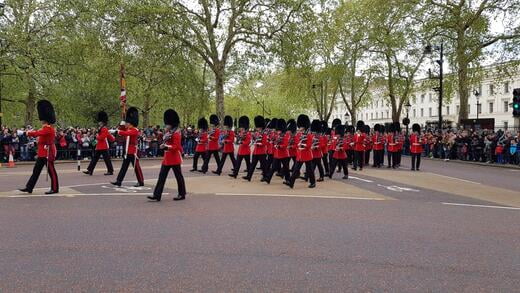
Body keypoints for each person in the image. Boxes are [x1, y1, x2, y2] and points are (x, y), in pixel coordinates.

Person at [19, 100, 59, 194]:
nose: (42, 121)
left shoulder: (49, 129)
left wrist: (26, 132)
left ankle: (55, 188)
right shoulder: (45, 128)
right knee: (36, 171)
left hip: (48, 153)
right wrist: (36, 144)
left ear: (45, 120)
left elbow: (37, 133)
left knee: (51, 171)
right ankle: (29, 187)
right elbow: (41, 140)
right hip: (42, 153)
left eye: (43, 120)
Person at [148, 109, 186, 202]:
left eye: (167, 124)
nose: (166, 126)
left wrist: (166, 147)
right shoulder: (168, 133)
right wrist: (163, 146)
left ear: (171, 124)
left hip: (174, 158)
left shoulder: (176, 134)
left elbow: (176, 146)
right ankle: (157, 195)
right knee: (161, 177)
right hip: (167, 158)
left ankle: (182, 194)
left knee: (179, 177)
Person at [111, 107, 144, 187]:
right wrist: (123, 114)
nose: (126, 124)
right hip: (127, 151)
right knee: (124, 167)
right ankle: (119, 181)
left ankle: (141, 181)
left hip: (133, 151)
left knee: (136, 167)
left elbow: (125, 133)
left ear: (130, 123)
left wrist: (117, 131)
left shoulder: (135, 130)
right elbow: (122, 128)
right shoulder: (128, 128)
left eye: (127, 123)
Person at [285, 114, 315, 189]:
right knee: (295, 170)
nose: (300, 129)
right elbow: (297, 142)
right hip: (300, 155)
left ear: (304, 127)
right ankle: (291, 183)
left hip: (307, 155)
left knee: (310, 170)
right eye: (300, 127)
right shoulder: (298, 135)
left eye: (301, 127)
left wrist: (303, 146)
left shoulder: (309, 135)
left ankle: (313, 182)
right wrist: (298, 145)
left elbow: (309, 145)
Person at [84, 111, 115, 176]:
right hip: (99, 146)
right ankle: (90, 170)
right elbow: (108, 136)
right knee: (94, 159)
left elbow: (102, 137)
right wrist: (94, 142)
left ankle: (110, 171)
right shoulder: (101, 128)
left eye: (100, 122)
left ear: (102, 122)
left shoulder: (104, 129)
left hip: (104, 147)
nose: (99, 123)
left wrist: (97, 137)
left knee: (107, 160)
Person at [262, 119, 290, 184]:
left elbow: (285, 144)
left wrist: (279, 146)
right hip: (277, 154)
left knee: (286, 168)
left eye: (279, 130)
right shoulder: (277, 135)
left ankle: (288, 179)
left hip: (284, 154)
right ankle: (268, 179)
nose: (278, 131)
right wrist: (273, 142)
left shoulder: (286, 135)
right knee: (273, 168)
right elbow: (275, 141)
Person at [243, 115, 267, 181]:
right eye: (257, 127)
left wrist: (259, 144)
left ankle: (265, 176)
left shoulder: (264, 134)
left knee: (264, 166)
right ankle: (249, 176)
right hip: (255, 152)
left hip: (262, 152)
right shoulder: (257, 134)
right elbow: (254, 140)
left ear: (261, 127)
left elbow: (264, 143)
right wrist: (253, 140)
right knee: (252, 165)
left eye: (258, 127)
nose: (257, 128)